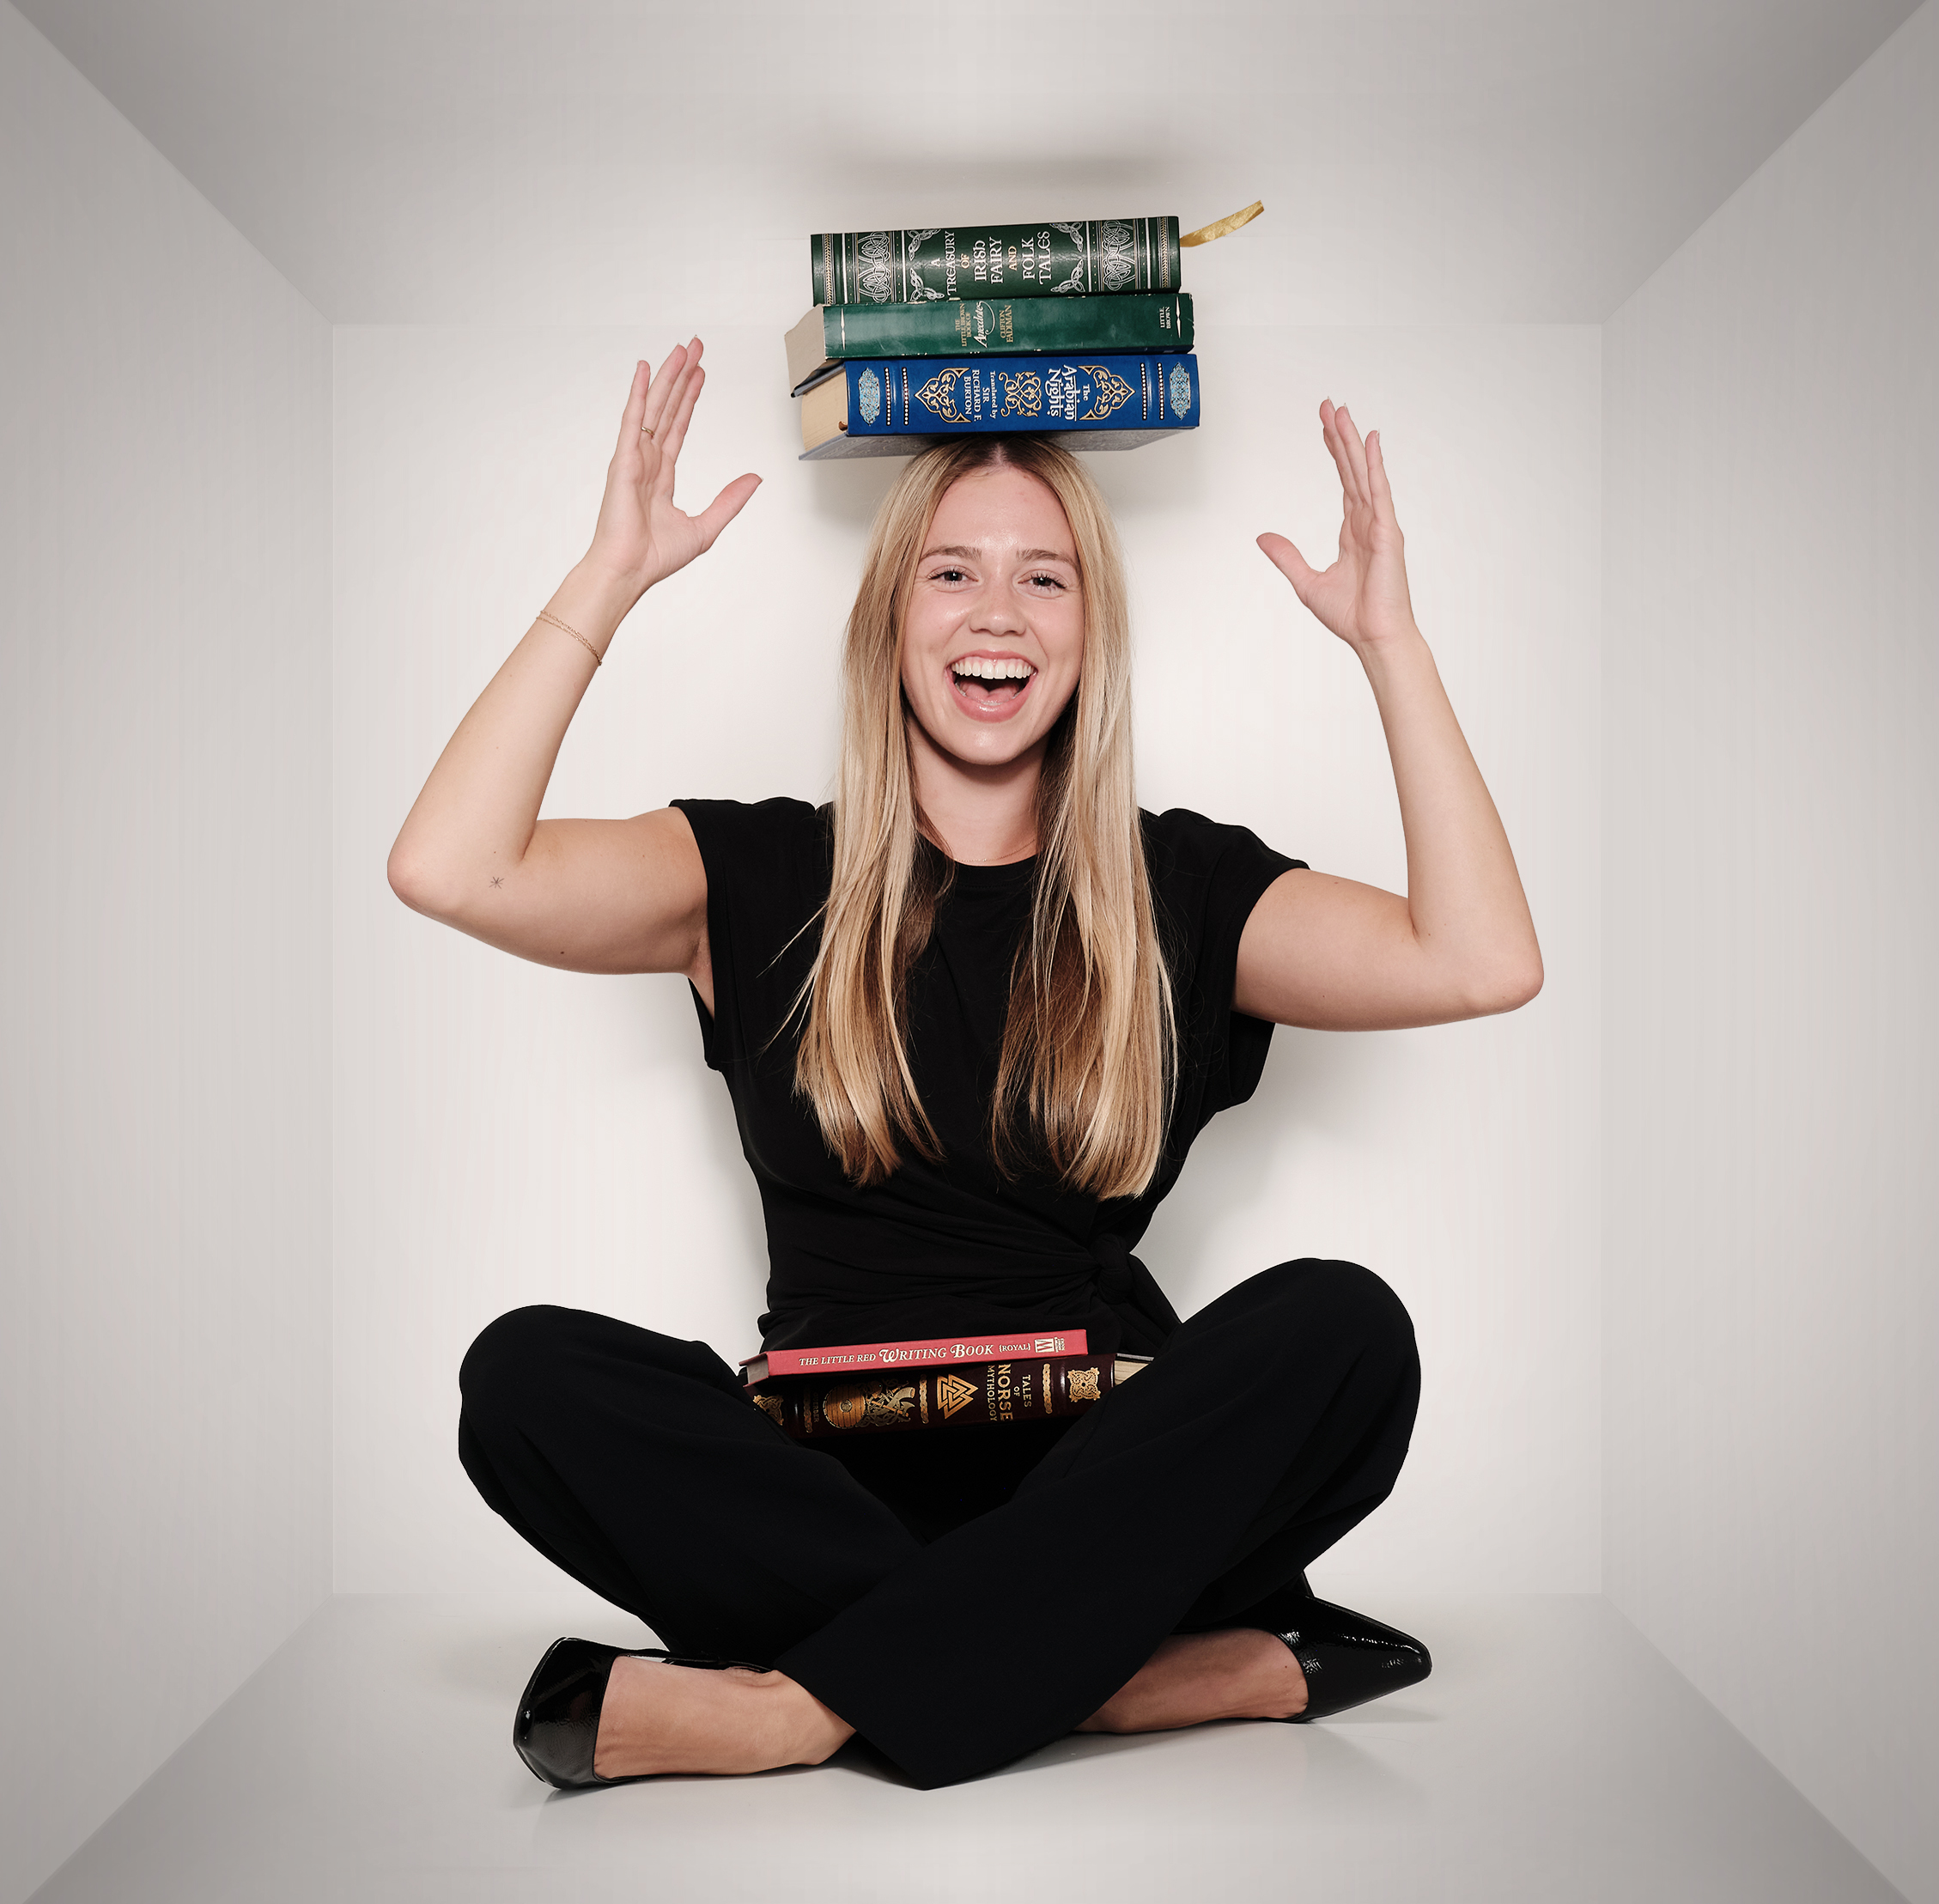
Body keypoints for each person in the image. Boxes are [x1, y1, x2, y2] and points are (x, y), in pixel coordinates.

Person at [387, 338, 1542, 1792]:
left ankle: (795, 1708)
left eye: (1043, 576)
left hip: (1105, 1480)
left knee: (1344, 1329)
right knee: (523, 1377)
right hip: (817, 1484)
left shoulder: (1175, 886)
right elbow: (448, 866)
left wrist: (1392, 644)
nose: (995, 611)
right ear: (887, 618)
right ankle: (1104, 1675)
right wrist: (606, 578)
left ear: (1088, 631)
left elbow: (1481, 960)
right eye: (950, 571)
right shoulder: (747, 870)